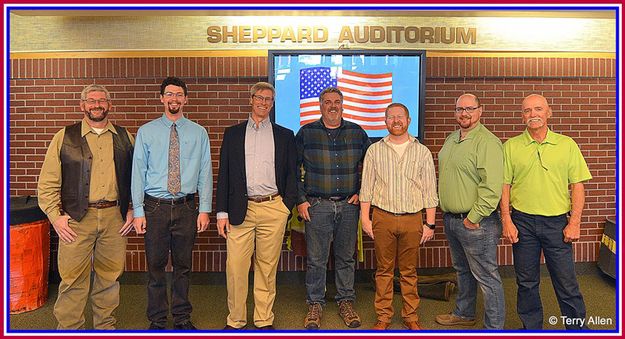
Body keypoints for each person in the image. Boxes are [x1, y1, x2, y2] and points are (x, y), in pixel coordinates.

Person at [37, 84, 134, 329]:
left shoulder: (125, 137)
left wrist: (134, 209)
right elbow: (47, 183)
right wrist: (55, 216)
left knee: (110, 278)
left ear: (109, 105)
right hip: (76, 220)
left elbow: (138, 178)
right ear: (82, 105)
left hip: (115, 219)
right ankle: (70, 329)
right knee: (72, 279)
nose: (97, 105)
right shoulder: (64, 137)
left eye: (102, 100)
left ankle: (105, 326)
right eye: (91, 100)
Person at [500, 94, 592, 330]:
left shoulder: (567, 144)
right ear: (522, 116)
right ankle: (532, 329)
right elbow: (504, 186)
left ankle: (578, 330)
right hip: (523, 224)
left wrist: (575, 222)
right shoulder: (510, 146)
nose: (533, 114)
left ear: (548, 113)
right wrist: (506, 220)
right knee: (526, 283)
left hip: (557, 225)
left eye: (538, 109)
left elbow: (578, 185)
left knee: (567, 283)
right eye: (527, 111)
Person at [131, 77, 212, 330]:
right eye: (169, 94)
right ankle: (156, 319)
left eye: (179, 95)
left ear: (186, 99)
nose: (174, 99)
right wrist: (138, 211)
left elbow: (205, 172)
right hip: (154, 207)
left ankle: (181, 317)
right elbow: (138, 173)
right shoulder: (146, 131)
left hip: (187, 207)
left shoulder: (199, 132)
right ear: (161, 98)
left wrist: (205, 209)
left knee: (183, 266)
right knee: (155, 266)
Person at [216, 82, 298, 330]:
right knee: (236, 268)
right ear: (251, 99)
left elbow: (292, 174)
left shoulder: (285, 135)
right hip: (240, 209)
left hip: (273, 208)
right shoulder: (233, 134)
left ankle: (263, 320)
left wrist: (286, 207)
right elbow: (225, 175)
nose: (264, 103)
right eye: (260, 98)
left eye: (269, 99)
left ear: (273, 104)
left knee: (267, 267)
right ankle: (236, 321)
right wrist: (221, 212)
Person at [296, 87, 371, 330]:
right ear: (320, 105)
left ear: (342, 104)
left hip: (349, 207)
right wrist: (300, 199)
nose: (332, 106)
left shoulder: (357, 132)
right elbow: (292, 170)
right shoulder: (306, 133)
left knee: (345, 258)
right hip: (317, 206)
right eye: (327, 102)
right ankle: (315, 303)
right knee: (316, 260)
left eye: (337, 102)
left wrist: (362, 192)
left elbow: (372, 168)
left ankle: (346, 301)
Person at [360, 103, 438, 330]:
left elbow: (429, 190)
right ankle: (383, 316)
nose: (396, 120)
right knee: (383, 271)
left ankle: (410, 316)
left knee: (409, 271)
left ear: (408, 120)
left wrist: (430, 224)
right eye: (391, 117)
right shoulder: (375, 150)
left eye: (400, 117)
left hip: (413, 218)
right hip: (382, 217)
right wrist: (366, 218)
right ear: (385, 121)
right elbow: (367, 188)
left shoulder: (421, 151)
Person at [435, 94, 505, 329]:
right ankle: (464, 313)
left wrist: (473, 218)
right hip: (453, 220)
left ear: (480, 111)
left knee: (486, 277)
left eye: (469, 109)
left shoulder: (487, 142)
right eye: (459, 109)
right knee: (463, 271)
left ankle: (494, 328)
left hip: (477, 222)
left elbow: (492, 186)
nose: (464, 113)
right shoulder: (452, 138)